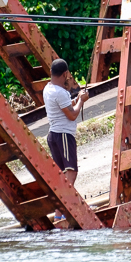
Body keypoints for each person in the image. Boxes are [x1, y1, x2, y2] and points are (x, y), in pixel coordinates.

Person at [43, 58, 88, 193]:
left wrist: (75, 100)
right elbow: (72, 115)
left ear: (51, 72)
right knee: (71, 172)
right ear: (65, 74)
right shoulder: (60, 92)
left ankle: (59, 213)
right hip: (63, 135)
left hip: (53, 135)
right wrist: (81, 100)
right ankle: (64, 207)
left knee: (63, 175)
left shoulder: (48, 88)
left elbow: (64, 107)